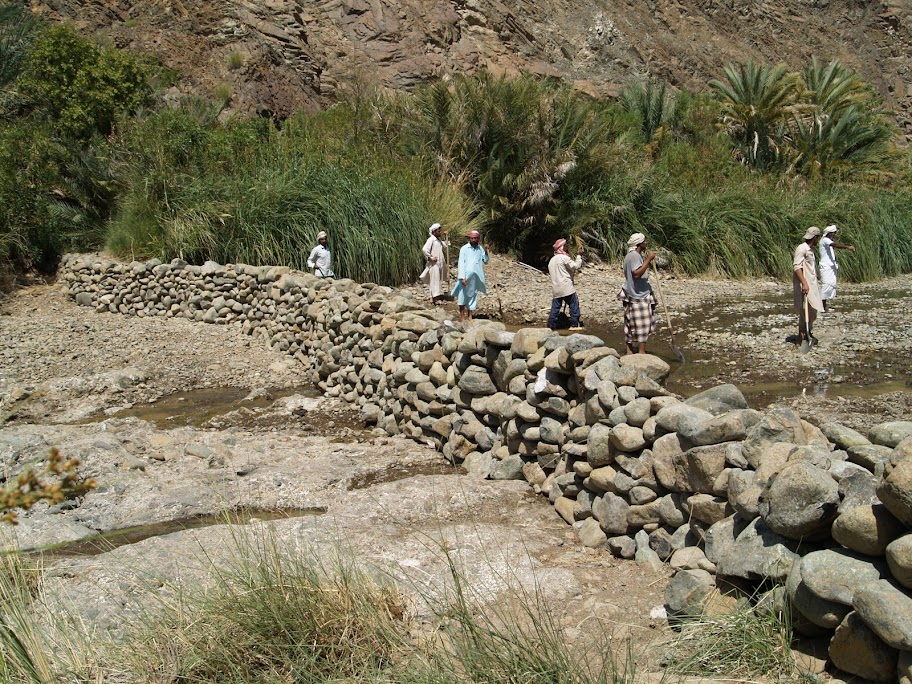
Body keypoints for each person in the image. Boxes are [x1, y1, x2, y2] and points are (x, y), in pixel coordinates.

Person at [616, 232, 657, 355]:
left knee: (630, 322)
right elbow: (637, 274)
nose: (646, 243)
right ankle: (641, 351)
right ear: (639, 244)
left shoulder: (629, 255)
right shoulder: (634, 256)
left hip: (631, 292)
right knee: (643, 323)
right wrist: (648, 259)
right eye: (644, 241)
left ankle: (629, 351)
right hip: (638, 295)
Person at [794, 226, 823, 346]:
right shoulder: (802, 249)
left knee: (813, 310)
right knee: (805, 310)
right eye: (818, 238)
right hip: (806, 284)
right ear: (815, 237)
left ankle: (807, 332)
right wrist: (804, 283)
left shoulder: (809, 250)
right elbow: (797, 267)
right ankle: (802, 336)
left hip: (812, 283)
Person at [450, 229, 488, 322]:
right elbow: (461, 263)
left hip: (475, 276)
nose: (474, 240)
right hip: (465, 276)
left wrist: (486, 251)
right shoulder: (464, 249)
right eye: (472, 238)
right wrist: (462, 277)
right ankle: (462, 317)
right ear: (469, 239)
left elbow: (485, 261)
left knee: (472, 295)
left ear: (478, 239)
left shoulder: (480, 249)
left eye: (475, 238)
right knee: (462, 296)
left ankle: (470, 316)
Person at [547, 238, 584, 331]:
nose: (567, 248)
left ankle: (550, 326)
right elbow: (576, 266)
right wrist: (579, 256)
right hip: (567, 287)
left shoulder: (551, 261)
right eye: (566, 246)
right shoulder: (564, 258)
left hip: (556, 288)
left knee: (555, 309)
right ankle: (574, 325)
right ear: (562, 247)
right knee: (573, 305)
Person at [819, 224, 855, 312]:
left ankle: (824, 306)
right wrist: (847, 247)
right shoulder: (825, 240)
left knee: (831, 284)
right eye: (834, 233)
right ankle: (821, 306)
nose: (835, 234)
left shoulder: (828, 240)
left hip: (831, 266)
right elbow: (834, 245)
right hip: (826, 266)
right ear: (830, 233)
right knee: (826, 285)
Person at [421, 223, 449, 305]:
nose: (440, 232)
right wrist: (430, 258)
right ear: (434, 232)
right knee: (435, 281)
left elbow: (446, 245)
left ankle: (432, 297)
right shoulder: (431, 239)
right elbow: (424, 249)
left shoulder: (438, 240)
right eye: (439, 231)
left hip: (439, 263)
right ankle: (436, 299)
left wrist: (446, 236)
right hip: (434, 264)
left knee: (436, 280)